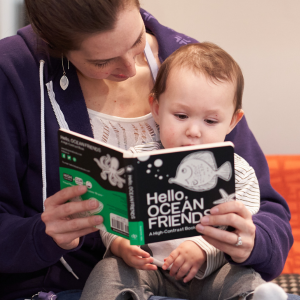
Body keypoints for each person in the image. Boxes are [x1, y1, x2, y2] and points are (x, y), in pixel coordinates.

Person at [0, 0, 294, 299]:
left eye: (137, 40)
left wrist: (249, 240)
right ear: (53, 45)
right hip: (79, 285)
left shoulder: (194, 69)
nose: (130, 68)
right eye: (102, 62)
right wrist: (42, 235)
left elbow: (269, 217)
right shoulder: (12, 73)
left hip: (210, 272)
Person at [79, 42, 285, 300]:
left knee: (241, 276)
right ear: (156, 108)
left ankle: (254, 297)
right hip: (149, 267)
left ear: (233, 121)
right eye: (180, 115)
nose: (194, 132)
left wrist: (201, 248)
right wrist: (120, 244)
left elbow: (241, 226)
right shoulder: (136, 160)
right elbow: (112, 211)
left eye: (210, 121)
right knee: (109, 270)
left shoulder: (236, 171)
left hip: (212, 271)